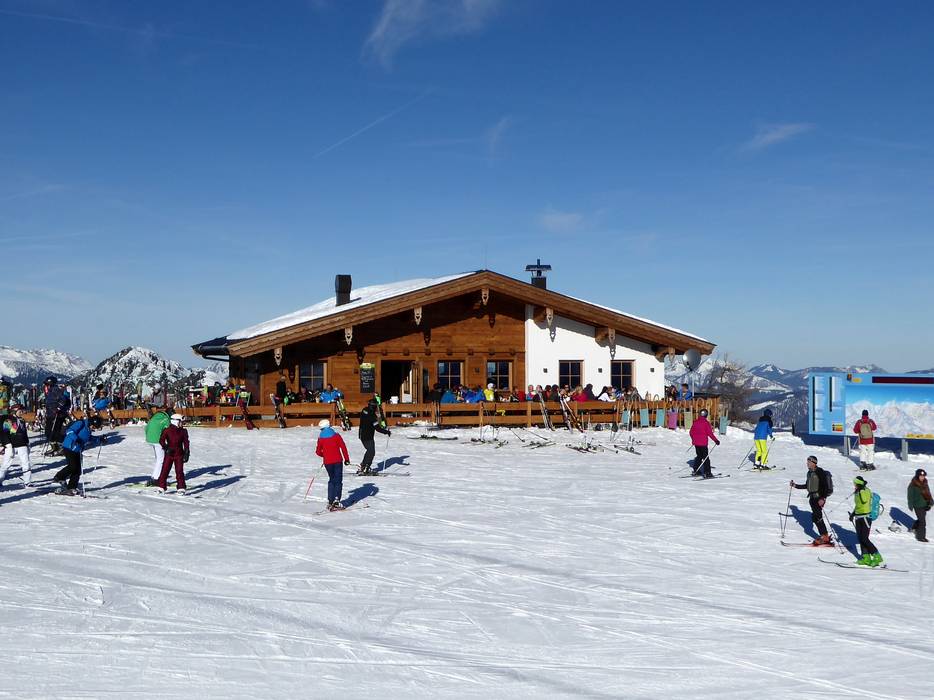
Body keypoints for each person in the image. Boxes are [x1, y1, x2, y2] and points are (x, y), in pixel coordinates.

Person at [790, 456, 834, 546]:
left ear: (814, 463)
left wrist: (823, 498)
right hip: (812, 499)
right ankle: (824, 536)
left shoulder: (819, 471)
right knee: (815, 517)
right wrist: (795, 485)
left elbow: (825, 486)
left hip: (819, 498)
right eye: (807, 462)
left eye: (809, 462)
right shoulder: (809, 473)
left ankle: (824, 537)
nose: (807, 464)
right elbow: (807, 485)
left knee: (818, 517)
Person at [55, 414, 102, 495]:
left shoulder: (88, 428)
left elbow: (88, 438)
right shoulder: (81, 423)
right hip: (69, 446)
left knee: (78, 470)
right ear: (91, 423)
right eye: (94, 427)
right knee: (73, 466)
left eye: (95, 428)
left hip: (78, 449)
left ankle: (72, 487)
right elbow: (69, 431)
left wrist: (99, 439)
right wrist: (76, 439)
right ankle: (59, 477)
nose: (93, 429)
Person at [315, 419, 350, 511]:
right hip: (338, 461)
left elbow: (318, 452)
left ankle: (330, 501)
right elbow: (343, 447)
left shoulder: (320, 438)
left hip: (327, 462)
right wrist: (347, 459)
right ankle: (336, 500)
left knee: (332, 479)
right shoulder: (336, 435)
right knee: (338, 480)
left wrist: (325, 455)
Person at [850, 475, 883, 566]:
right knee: (860, 538)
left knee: (865, 538)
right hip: (858, 517)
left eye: (855, 483)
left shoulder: (865, 490)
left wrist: (861, 490)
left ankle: (877, 556)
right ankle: (866, 557)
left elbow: (864, 500)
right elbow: (858, 504)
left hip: (865, 517)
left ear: (858, 483)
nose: (854, 485)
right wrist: (853, 514)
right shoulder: (858, 491)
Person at [0, 404, 33, 487]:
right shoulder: (9, 420)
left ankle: (27, 482)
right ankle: (0, 479)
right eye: (20, 411)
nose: (22, 412)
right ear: (14, 411)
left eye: (22, 411)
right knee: (6, 464)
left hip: (22, 445)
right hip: (12, 446)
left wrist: (27, 443)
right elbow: (4, 434)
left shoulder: (21, 420)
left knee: (26, 463)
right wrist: (8, 445)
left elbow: (24, 433)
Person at [156, 414, 190, 494]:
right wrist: (166, 448)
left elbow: (186, 442)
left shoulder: (183, 431)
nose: (182, 424)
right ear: (175, 422)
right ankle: (161, 487)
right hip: (169, 454)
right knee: (165, 470)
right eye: (181, 422)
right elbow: (161, 440)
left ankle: (181, 487)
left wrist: (186, 452)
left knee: (179, 471)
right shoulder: (167, 430)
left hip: (179, 454)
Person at [357, 397, 390, 475]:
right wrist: (386, 432)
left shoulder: (364, 410)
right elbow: (377, 428)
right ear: (374, 406)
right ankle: (366, 467)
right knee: (371, 451)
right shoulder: (372, 417)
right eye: (376, 406)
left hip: (362, 434)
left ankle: (364, 465)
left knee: (369, 451)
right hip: (368, 437)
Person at [689, 408, 720, 477]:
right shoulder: (706, 423)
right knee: (706, 458)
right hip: (703, 444)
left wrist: (694, 440)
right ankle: (707, 472)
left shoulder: (695, 422)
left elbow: (691, 432)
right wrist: (716, 440)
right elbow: (710, 433)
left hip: (696, 444)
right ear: (706, 415)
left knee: (699, 456)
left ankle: (696, 470)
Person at [42, 376, 71, 454]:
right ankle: (54, 447)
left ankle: (61, 447)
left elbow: (63, 400)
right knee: (48, 432)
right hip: (50, 414)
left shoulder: (55, 390)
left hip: (57, 415)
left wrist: (58, 408)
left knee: (55, 432)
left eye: (47, 384)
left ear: (51, 384)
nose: (45, 386)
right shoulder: (49, 391)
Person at [144, 408, 171, 487]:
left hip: (150, 439)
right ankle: (156, 479)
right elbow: (168, 431)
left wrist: (149, 437)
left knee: (159, 459)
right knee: (161, 460)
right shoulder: (166, 419)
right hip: (157, 440)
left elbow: (146, 428)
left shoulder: (155, 417)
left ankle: (155, 477)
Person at [907, 468, 932, 543]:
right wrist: (910, 505)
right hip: (917, 505)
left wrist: (930, 503)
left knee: (921, 518)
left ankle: (914, 527)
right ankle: (921, 537)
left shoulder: (925, 483)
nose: (922, 477)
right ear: (917, 476)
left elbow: (928, 493)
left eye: (923, 476)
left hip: (925, 504)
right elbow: (910, 496)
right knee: (923, 522)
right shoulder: (913, 484)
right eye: (921, 476)